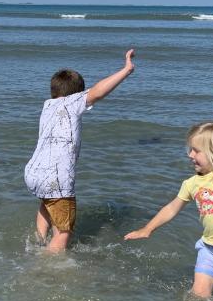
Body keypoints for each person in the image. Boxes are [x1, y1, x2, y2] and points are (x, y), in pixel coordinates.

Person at [124, 78, 213, 299]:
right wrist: (148, 228)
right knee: (197, 298)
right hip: (210, 251)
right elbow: (171, 208)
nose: (190, 155)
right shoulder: (192, 183)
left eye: (196, 151)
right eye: (190, 150)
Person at [25, 49, 136, 252]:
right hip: (56, 177)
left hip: (35, 172)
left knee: (46, 203)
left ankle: (37, 241)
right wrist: (126, 70)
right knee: (64, 231)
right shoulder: (72, 102)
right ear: (77, 93)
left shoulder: (48, 105)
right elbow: (98, 91)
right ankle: (43, 267)